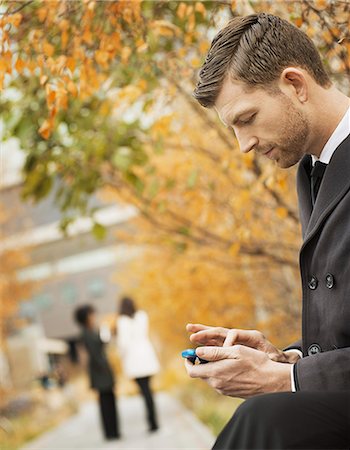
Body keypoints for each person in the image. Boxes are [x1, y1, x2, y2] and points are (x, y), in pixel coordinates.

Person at [184, 12, 350, 450]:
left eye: (247, 118)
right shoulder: (312, 172)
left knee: (263, 421)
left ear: (295, 84)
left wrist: (286, 380)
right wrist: (284, 358)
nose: (244, 146)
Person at [74, 304, 120, 440]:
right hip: (100, 372)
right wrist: (106, 369)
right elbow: (95, 354)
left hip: (102, 370)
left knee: (109, 401)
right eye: (91, 314)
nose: (94, 317)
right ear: (86, 317)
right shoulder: (85, 333)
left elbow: (101, 344)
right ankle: (111, 433)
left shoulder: (91, 331)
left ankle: (113, 431)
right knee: (106, 402)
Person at [116, 296, 160, 432]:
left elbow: (123, 344)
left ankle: (152, 422)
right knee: (148, 390)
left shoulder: (122, 321)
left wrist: (121, 356)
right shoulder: (142, 316)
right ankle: (153, 421)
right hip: (147, 355)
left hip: (134, 359)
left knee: (144, 391)